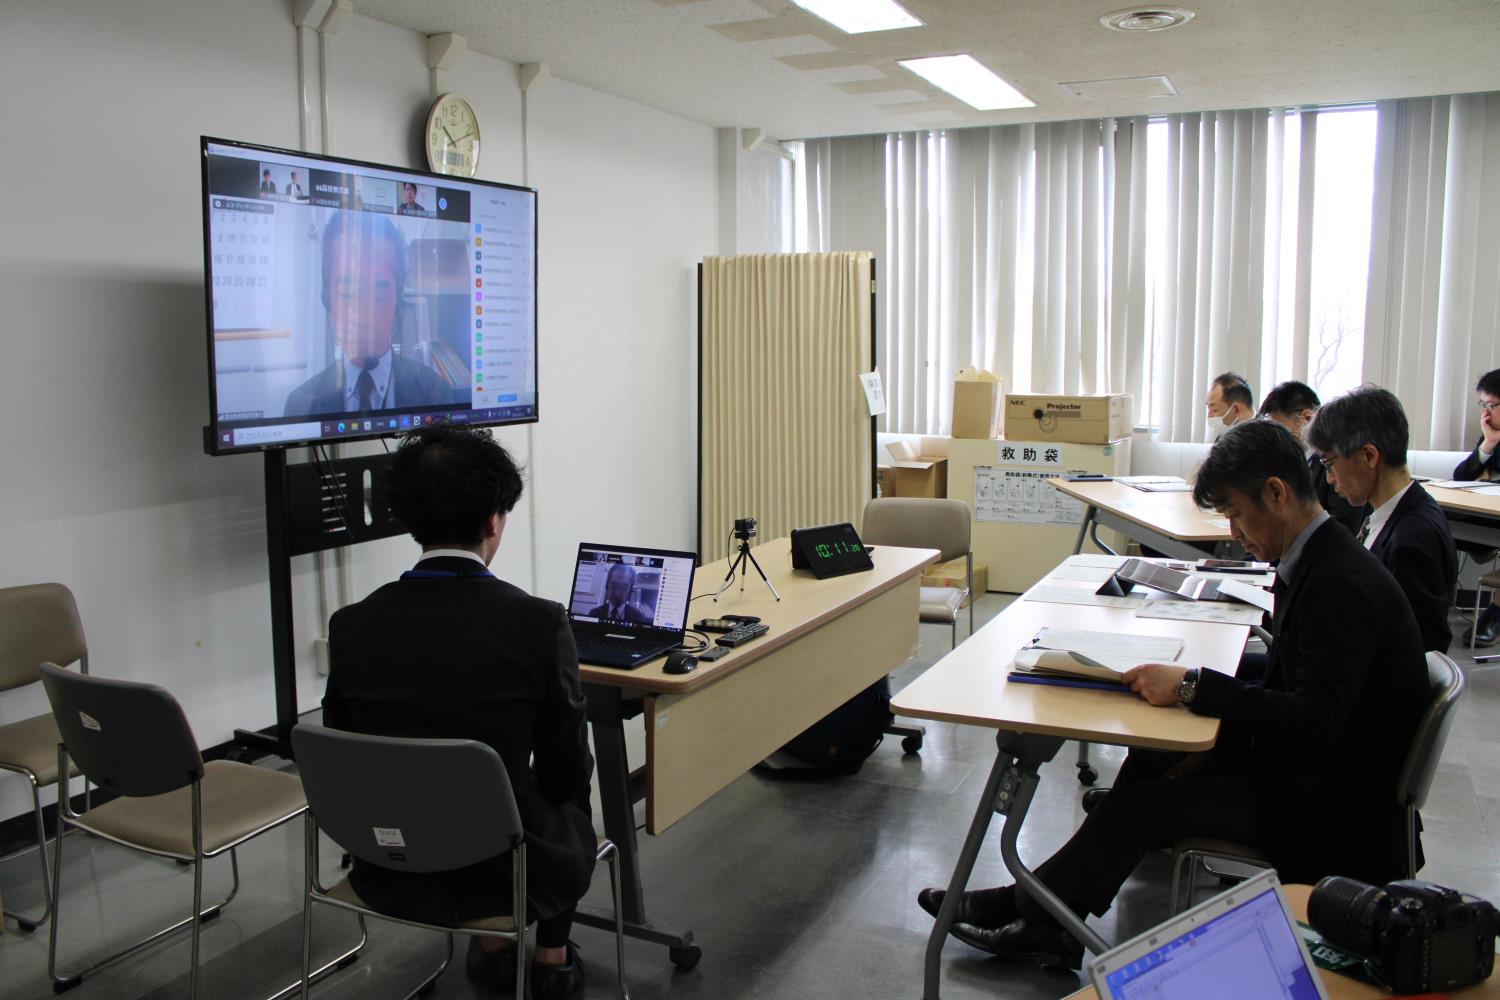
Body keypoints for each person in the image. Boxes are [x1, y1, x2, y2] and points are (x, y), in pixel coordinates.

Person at [916, 420, 1429, 968]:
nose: (1234, 531)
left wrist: (1194, 685)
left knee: (1139, 806)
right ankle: (1052, 918)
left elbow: (1311, 719)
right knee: (1151, 756)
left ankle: (1032, 906)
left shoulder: (1337, 582)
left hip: (1331, 811)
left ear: (1276, 493)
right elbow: (1294, 679)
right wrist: (1199, 681)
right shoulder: (1322, 559)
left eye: (1234, 511)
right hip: (1321, 775)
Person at [322, 425, 594, 998]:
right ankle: (551, 959)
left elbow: (343, 752)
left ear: (412, 520)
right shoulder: (538, 625)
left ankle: (493, 951)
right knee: (567, 788)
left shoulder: (352, 626)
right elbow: (566, 771)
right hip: (503, 873)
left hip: (387, 861)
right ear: (494, 521)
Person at [1306, 386, 1457, 652]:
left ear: (1369, 456)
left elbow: (1420, 647)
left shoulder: (1412, 539)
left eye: (1329, 464)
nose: (1329, 480)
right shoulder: (1388, 510)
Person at [284, 211, 455, 417]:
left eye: (380, 288)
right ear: (326, 298)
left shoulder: (436, 395)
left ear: (399, 303)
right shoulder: (300, 406)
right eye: (347, 289)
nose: (364, 317)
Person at [1258, 380, 1370, 536]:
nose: (1277, 439)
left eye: (1280, 429)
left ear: (1306, 418)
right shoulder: (1298, 461)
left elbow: (1343, 526)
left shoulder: (1338, 461)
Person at [1454, 368, 1500, 644]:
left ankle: (1495, 611)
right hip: (1484, 517)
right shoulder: (1492, 436)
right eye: (1482, 405)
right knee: (1436, 522)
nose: (1485, 413)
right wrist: (1489, 445)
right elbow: (1461, 477)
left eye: (1492, 405)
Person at [585, 563, 652, 624]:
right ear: (607, 586)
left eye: (624, 587)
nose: (617, 593)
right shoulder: (593, 614)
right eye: (614, 585)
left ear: (630, 591)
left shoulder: (639, 619)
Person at [1204, 371, 1254, 441]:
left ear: (1236, 409)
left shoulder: (1262, 438)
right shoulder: (1223, 437)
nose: (1209, 416)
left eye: (1215, 410)